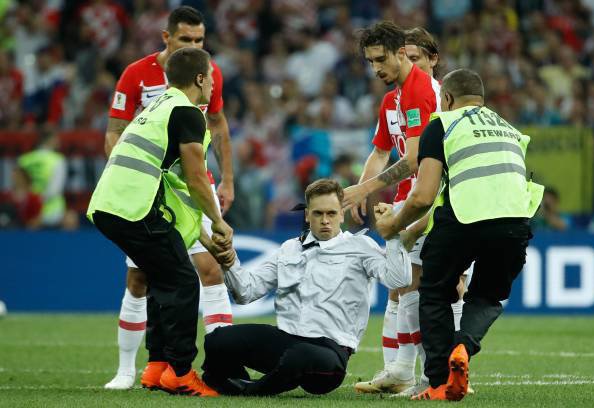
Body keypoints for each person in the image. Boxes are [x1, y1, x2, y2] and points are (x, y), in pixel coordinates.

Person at [376, 69, 543, 401]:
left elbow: (423, 196)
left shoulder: (442, 124)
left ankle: (439, 381)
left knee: (434, 291)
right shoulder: (509, 129)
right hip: (516, 223)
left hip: (465, 220)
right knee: (488, 297)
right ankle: (463, 346)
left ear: (448, 98)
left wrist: (393, 226)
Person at [103, 6, 235, 390]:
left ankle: (220, 366)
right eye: (186, 39)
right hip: (154, 188)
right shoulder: (137, 74)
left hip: (193, 186)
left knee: (210, 269)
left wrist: (227, 179)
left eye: (199, 39)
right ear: (167, 37)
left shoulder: (207, 72)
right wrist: (129, 175)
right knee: (143, 276)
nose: (194, 44)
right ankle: (132, 369)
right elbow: (114, 131)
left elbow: (218, 125)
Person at [201, 179, 412, 396]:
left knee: (300, 355)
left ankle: (251, 390)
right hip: (285, 341)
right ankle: (234, 381)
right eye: (318, 213)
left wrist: (392, 236)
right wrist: (229, 263)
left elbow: (400, 281)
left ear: (342, 214)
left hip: (329, 352)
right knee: (218, 339)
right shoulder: (289, 248)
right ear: (307, 215)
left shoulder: (361, 247)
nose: (325, 221)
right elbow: (246, 292)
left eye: (331, 213)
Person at [344, 22, 441, 396]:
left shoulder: (417, 90)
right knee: (403, 283)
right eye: (370, 62)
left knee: (421, 284)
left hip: (433, 197)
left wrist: (365, 189)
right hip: (413, 197)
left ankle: (429, 373)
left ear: (401, 53)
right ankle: (405, 371)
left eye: (380, 59)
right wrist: (364, 189)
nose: (376, 68)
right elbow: (382, 150)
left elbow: (414, 159)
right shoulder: (397, 96)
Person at [17, 131, 67, 227]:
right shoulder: (58, 160)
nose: (58, 141)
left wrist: (30, 203)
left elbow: (18, 190)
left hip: (27, 213)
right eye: (56, 138)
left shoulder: (24, 160)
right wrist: (38, 202)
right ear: (50, 140)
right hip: (52, 214)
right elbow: (55, 190)